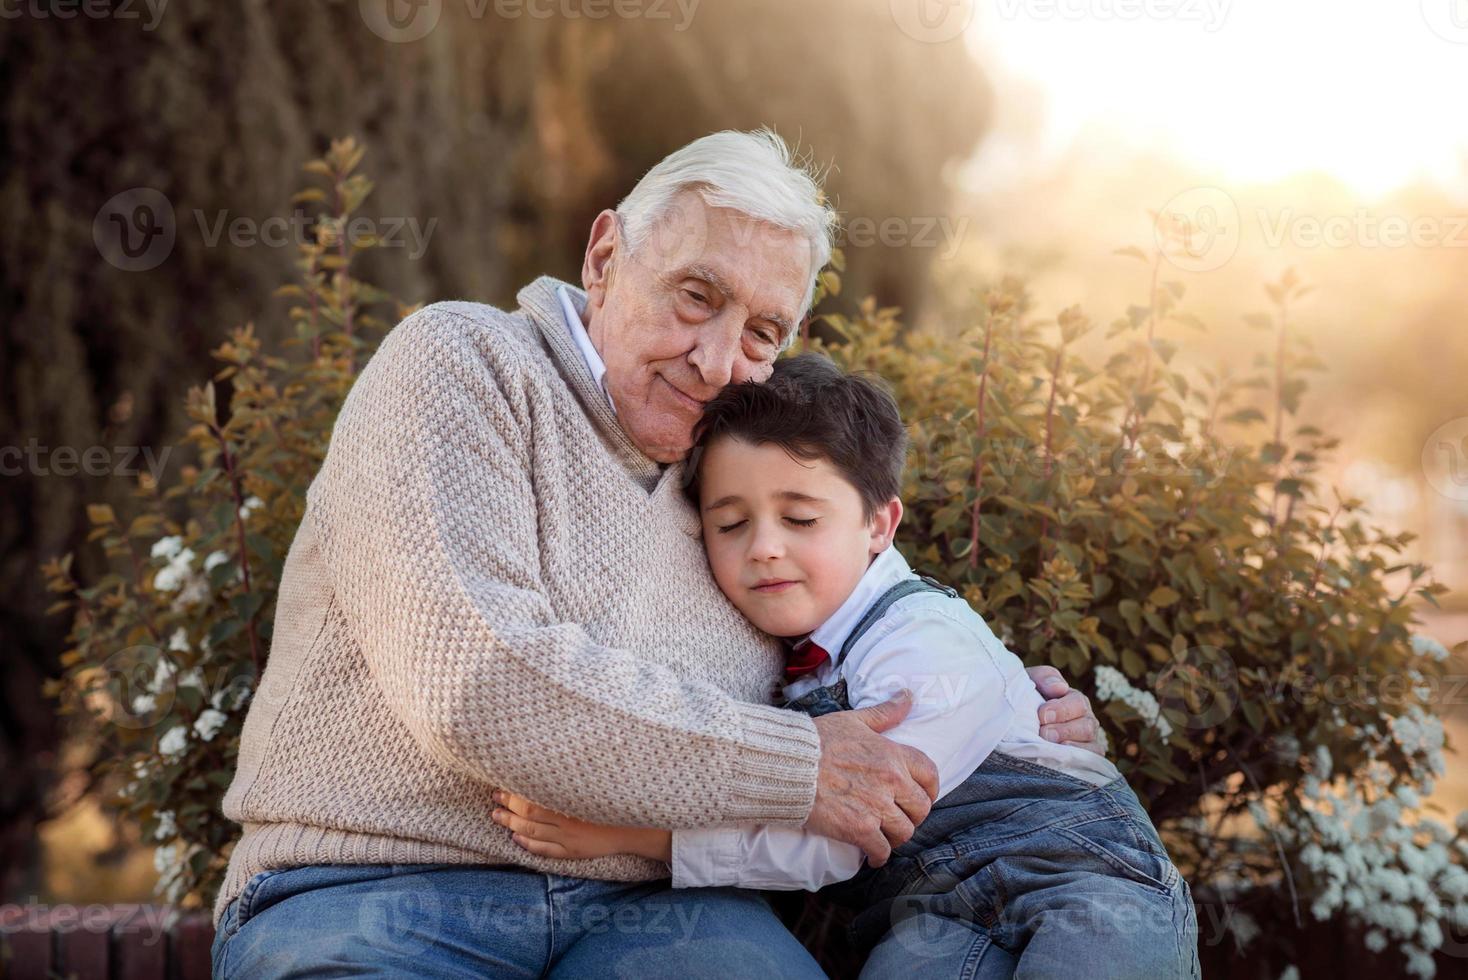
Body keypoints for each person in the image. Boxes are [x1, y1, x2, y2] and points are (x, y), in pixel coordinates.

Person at [210, 129, 1107, 979]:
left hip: (660, 908)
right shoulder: (462, 362)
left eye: (762, 332)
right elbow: (476, 686)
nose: (720, 361)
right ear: (604, 259)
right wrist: (796, 766)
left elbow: (869, 640)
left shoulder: (736, 484)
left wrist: (1021, 720)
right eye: (697, 296)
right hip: (376, 886)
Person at [493, 353, 1200, 978]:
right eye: (730, 524)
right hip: (932, 916)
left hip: (1083, 880)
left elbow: (839, 837)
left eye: (800, 519)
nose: (764, 548)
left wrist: (633, 838)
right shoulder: (784, 663)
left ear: (879, 526)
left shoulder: (921, 639)